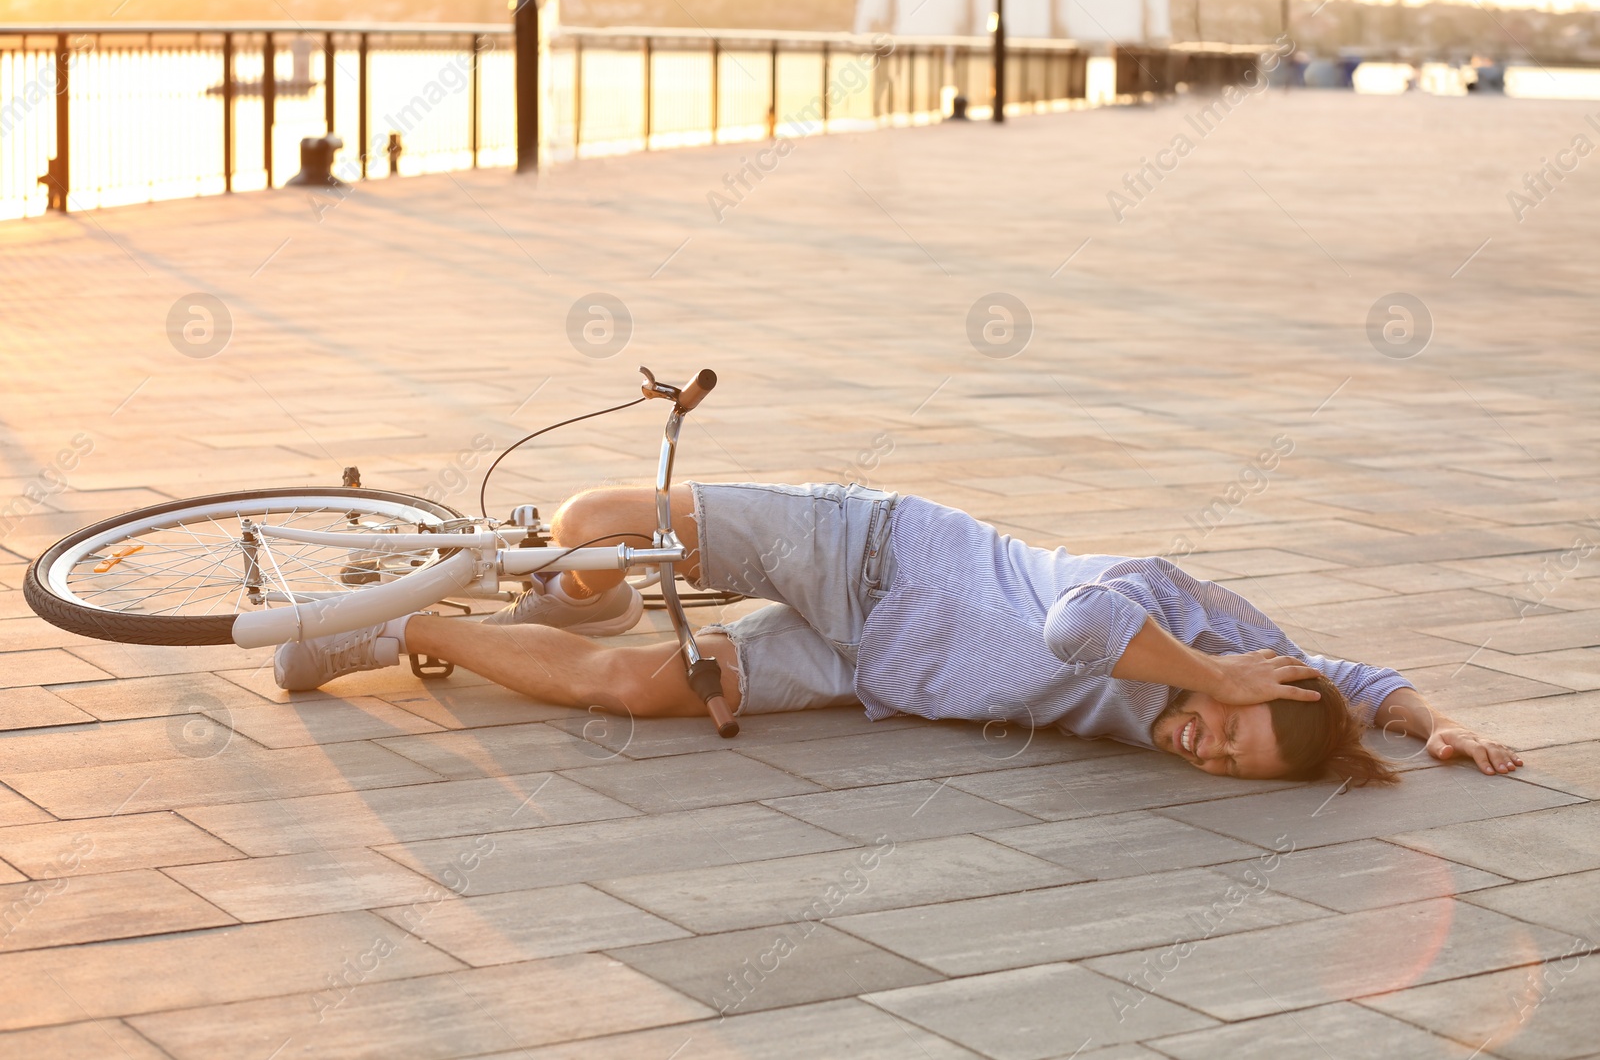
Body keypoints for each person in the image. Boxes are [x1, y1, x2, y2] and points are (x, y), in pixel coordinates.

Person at [275, 482, 1524, 783]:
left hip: (865, 666)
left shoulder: (1282, 687)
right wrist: (1200, 669)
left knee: (641, 685)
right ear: (1262, 675)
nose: (1202, 746)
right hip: (865, 548)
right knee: (602, 518)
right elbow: (1082, 623)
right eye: (1229, 733)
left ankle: (408, 626)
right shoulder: (1177, 610)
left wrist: (1436, 723)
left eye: (1221, 767)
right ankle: (491, 563)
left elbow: (1364, 682)